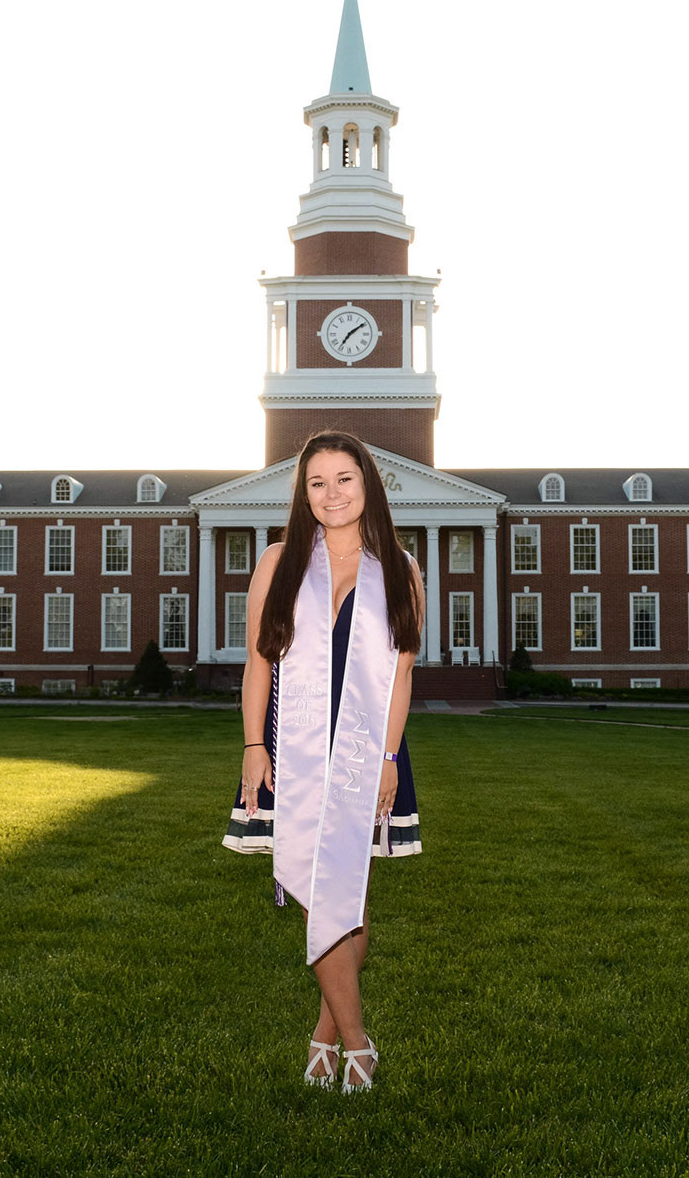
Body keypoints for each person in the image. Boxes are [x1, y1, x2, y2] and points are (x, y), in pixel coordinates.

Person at [222, 429, 423, 1094]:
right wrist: (253, 745)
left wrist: (391, 756)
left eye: (344, 479)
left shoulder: (399, 567)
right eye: (317, 482)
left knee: (346, 897)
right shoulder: (280, 561)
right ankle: (355, 1042)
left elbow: (401, 676)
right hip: (291, 752)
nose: (331, 493)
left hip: (370, 754)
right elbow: (258, 662)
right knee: (319, 899)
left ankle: (327, 1036)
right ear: (302, 493)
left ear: (368, 485)